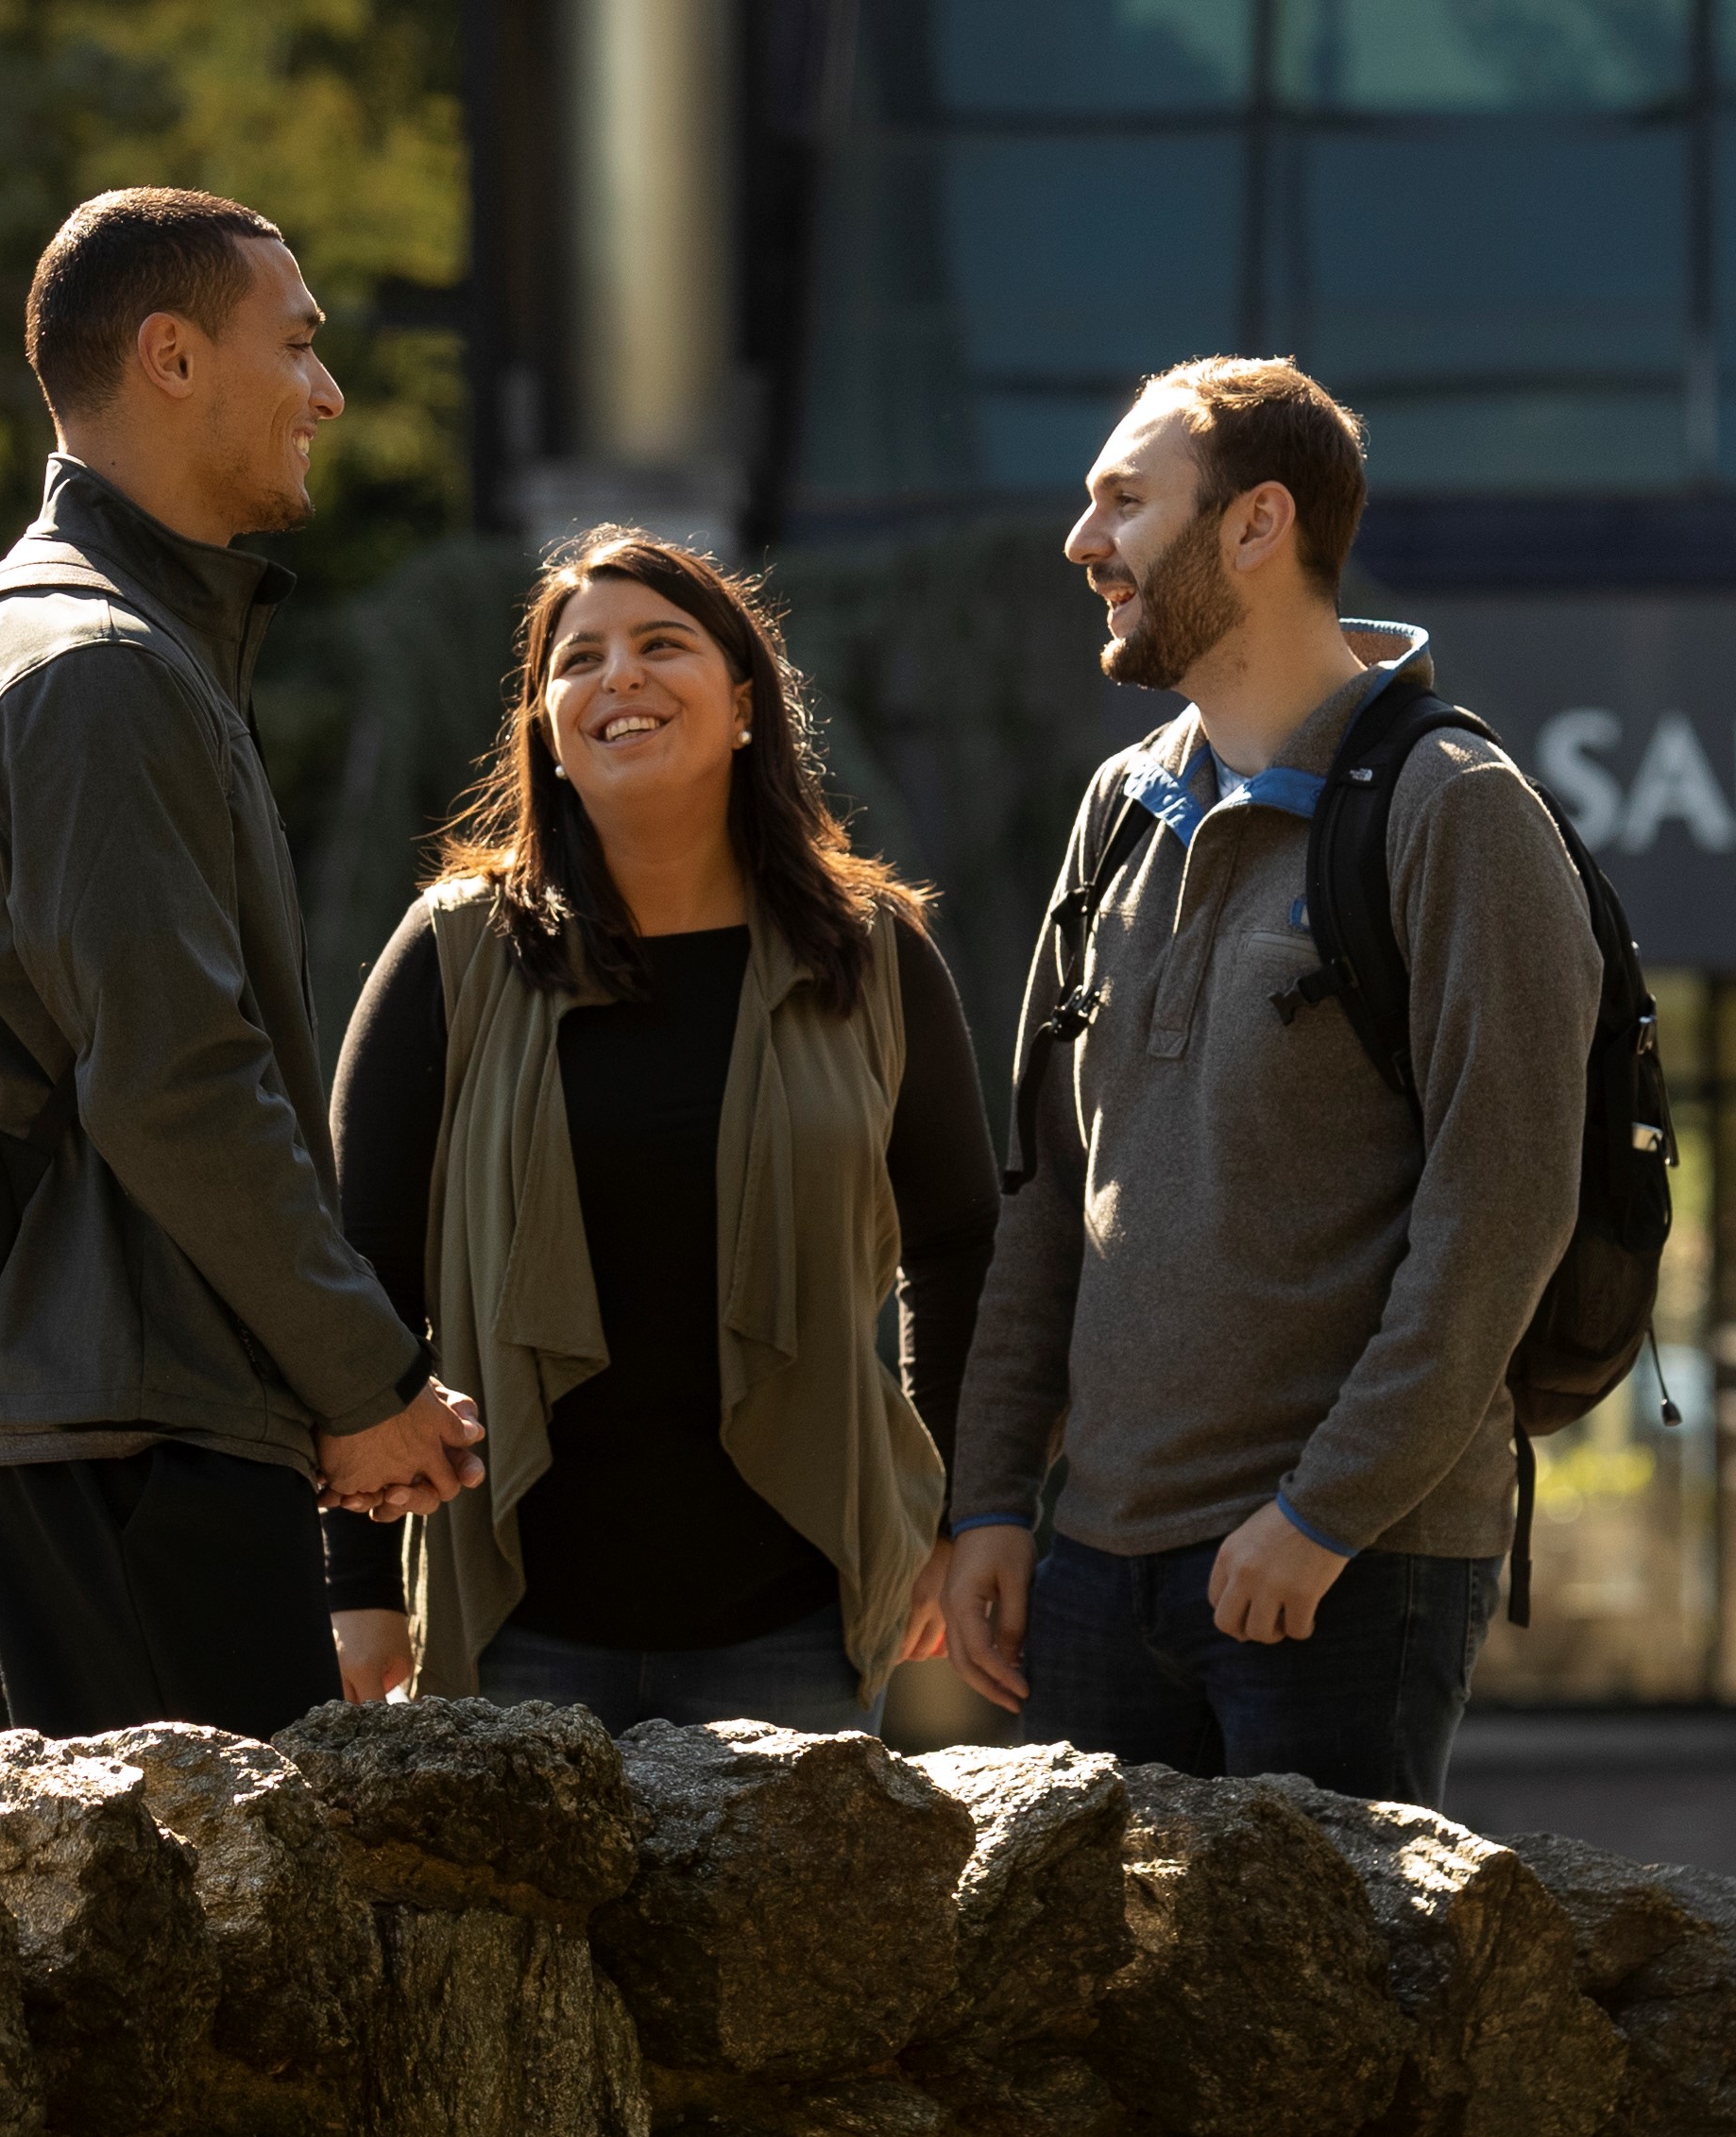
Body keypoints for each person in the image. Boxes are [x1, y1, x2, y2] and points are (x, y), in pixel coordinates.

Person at [943, 358, 1597, 1805]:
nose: (1082, 540)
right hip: (1092, 1567)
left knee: (1334, 1965)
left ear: (1255, 523)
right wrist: (989, 1495)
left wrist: (1324, 1512)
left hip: (1333, 1574)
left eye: (1125, 501)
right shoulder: (1116, 808)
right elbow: (1049, 1187)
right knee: (1094, 1964)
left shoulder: (1457, 810)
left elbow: (1501, 1211)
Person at [0, 187, 484, 1735]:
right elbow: (175, 1082)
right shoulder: (99, 668)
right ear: (170, 357)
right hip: (145, 1445)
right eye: (294, 346)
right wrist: (366, 1381)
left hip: (94, 1416)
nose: (327, 392)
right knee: (207, 1901)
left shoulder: (42, 636)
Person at [317, 530, 999, 1728]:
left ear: (744, 705)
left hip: (796, 1625)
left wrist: (948, 1517)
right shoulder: (450, 954)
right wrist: (359, 1584)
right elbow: (359, 1272)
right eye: (578, 659)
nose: (618, 675)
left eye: (661, 643)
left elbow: (957, 1248)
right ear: (546, 729)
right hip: (512, 1623)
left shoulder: (872, 953)